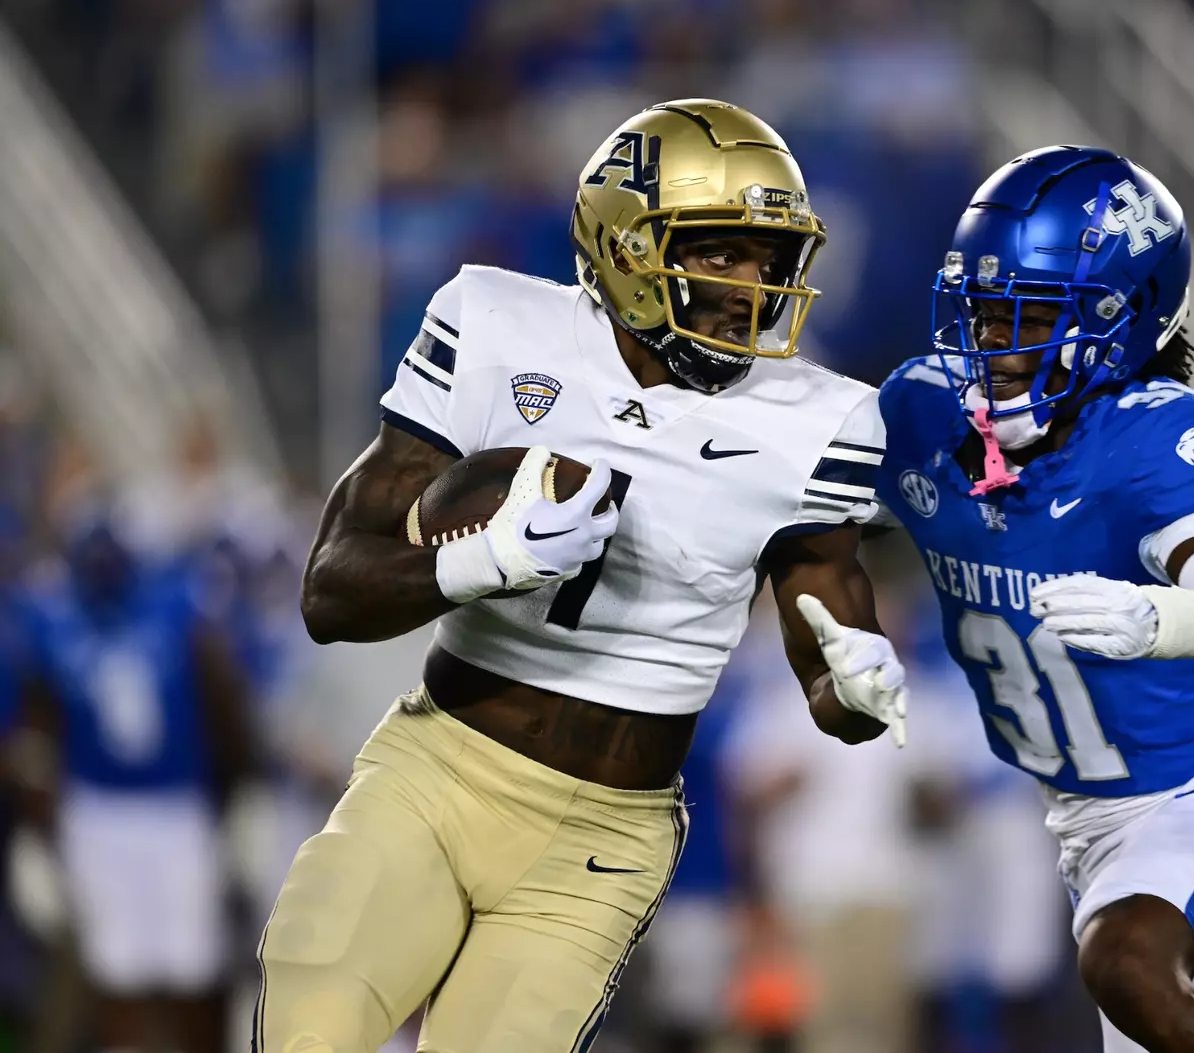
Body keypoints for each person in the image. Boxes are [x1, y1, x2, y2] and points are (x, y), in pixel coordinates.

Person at [258, 99, 909, 1053]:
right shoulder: (494, 325)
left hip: (602, 835)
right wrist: (487, 562)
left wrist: (858, 686)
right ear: (626, 247)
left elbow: (833, 684)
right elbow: (331, 592)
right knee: (311, 1016)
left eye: (770, 261)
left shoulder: (820, 420)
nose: (751, 287)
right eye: (720, 252)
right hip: (438, 771)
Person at [872, 146, 1194, 1053]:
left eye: (1023, 318)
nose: (990, 347)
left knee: (1128, 966)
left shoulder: (1147, 441)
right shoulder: (924, 418)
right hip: (1089, 834)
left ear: (1120, 319)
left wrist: (1165, 620)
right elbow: (800, 513)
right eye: (982, 316)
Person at [16, 512, 257, 1053]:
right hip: (98, 808)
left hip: (177, 806)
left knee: (194, 966)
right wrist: (40, 817)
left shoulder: (175, 609)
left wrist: (241, 788)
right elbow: (38, 722)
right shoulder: (56, 618)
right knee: (117, 969)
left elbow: (226, 703)